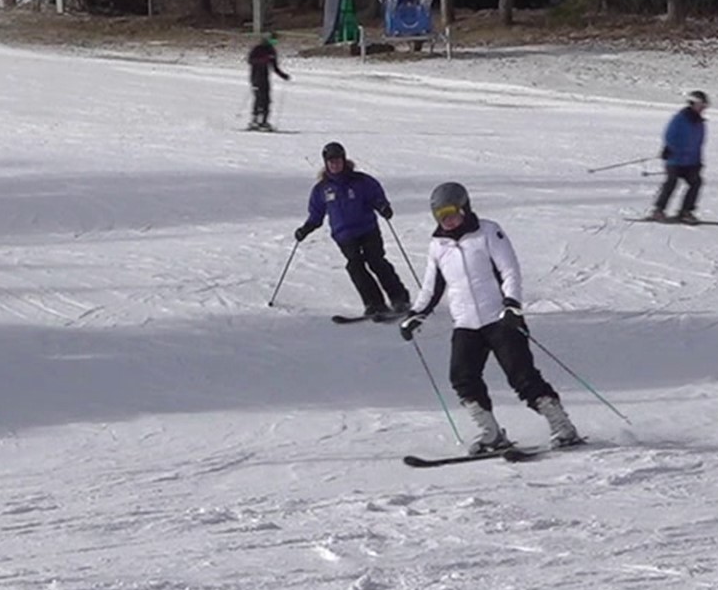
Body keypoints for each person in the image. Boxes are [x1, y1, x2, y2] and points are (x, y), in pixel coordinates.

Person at [400, 182, 581, 455]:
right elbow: (431, 286)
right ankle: (491, 433)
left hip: (500, 318)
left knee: (522, 377)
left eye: (450, 212)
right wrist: (416, 314)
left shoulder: (487, 232)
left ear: (464, 207)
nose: (447, 220)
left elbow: (509, 270)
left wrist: (512, 305)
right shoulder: (438, 245)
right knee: (462, 377)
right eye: (440, 215)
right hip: (465, 323)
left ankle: (563, 427)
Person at [295, 141, 411, 318]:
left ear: (344, 160)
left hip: (367, 229)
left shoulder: (360, 181)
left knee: (376, 261)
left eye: (338, 160)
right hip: (344, 235)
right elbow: (316, 214)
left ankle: (399, 298)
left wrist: (383, 207)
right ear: (326, 163)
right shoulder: (322, 189)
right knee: (355, 266)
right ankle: (374, 304)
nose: (335, 164)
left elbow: (376, 196)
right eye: (331, 161)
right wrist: (305, 229)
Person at [650, 89, 710, 224]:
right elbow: (669, 135)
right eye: (701, 105)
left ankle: (685, 212)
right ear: (693, 103)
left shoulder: (699, 123)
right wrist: (671, 149)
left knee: (696, 183)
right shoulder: (680, 118)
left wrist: (698, 161)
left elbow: (699, 143)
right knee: (671, 182)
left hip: (691, 162)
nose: (703, 108)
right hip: (675, 160)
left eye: (705, 106)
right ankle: (658, 210)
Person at [246, 32, 291, 131]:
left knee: (267, 100)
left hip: (265, 78)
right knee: (259, 99)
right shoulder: (258, 49)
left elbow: (274, 67)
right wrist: (263, 60)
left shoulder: (271, 51)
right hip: (256, 77)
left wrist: (283, 75)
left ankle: (264, 121)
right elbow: (250, 60)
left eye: (275, 41)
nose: (274, 42)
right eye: (272, 40)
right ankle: (255, 120)